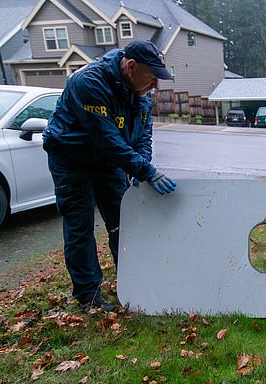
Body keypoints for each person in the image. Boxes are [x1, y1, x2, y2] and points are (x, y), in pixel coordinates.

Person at [43, 40, 177, 312]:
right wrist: (146, 171)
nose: (155, 87)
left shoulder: (140, 93)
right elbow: (108, 139)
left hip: (108, 160)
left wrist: (143, 166)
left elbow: (143, 135)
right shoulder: (88, 82)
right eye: (151, 79)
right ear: (130, 66)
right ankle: (88, 295)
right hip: (71, 157)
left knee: (123, 223)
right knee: (80, 226)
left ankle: (133, 282)